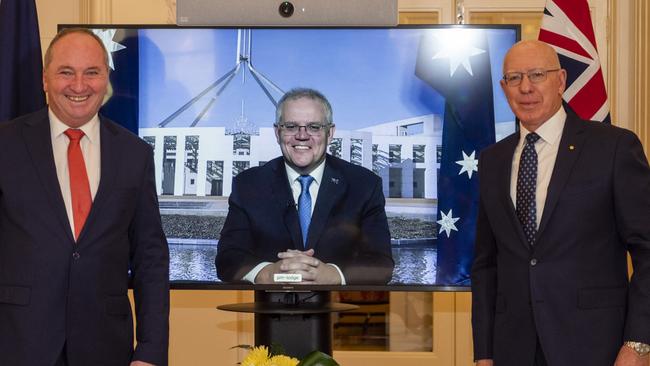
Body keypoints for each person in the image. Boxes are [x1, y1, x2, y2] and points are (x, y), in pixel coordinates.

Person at [471, 39, 650, 366]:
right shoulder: (492, 160)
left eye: (537, 74)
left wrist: (639, 342)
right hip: (513, 349)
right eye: (514, 78)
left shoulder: (613, 148)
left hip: (596, 348)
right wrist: (484, 352)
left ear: (561, 80)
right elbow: (486, 264)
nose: (525, 87)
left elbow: (647, 249)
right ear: (503, 87)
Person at [0, 28, 169, 365]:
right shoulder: (6, 145)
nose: (79, 85)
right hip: (17, 345)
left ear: (106, 79)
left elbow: (150, 257)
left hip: (105, 348)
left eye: (92, 72)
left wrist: (150, 351)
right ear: (45, 79)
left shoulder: (133, 154)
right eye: (66, 72)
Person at [216, 88, 394, 285]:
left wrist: (332, 275)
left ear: (330, 132)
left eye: (314, 127)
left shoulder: (364, 185)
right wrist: (267, 273)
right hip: (269, 310)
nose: (302, 135)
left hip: (342, 310)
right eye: (291, 126)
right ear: (277, 132)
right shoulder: (248, 184)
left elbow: (381, 263)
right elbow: (227, 259)